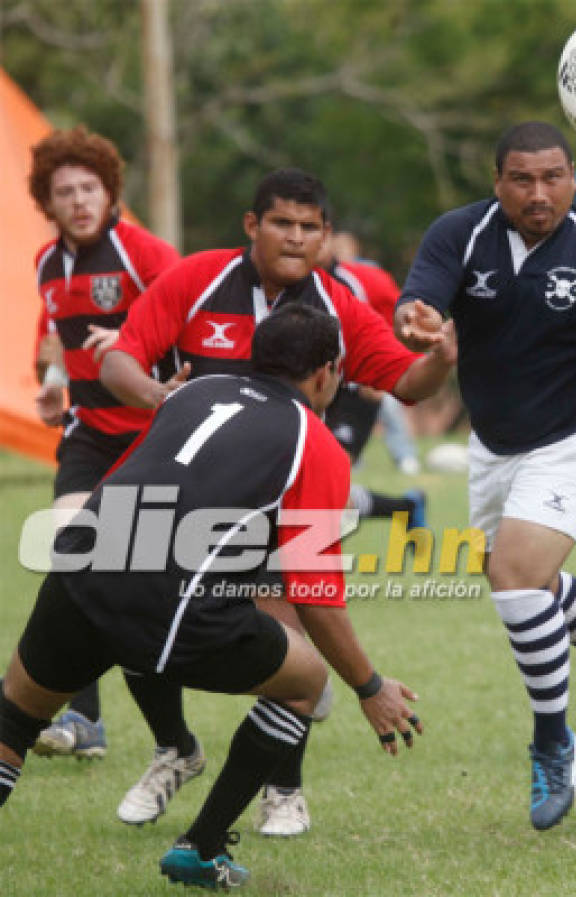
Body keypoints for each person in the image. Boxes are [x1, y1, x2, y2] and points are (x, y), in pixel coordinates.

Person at [1, 304, 425, 889]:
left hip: (82, 563)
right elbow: (316, 596)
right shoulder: (315, 441)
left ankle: (176, 754)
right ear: (327, 373)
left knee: (14, 720)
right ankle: (201, 848)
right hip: (164, 600)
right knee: (306, 685)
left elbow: (127, 477)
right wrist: (370, 688)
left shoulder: (195, 391)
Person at [97, 168, 455, 836]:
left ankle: (283, 787)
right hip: (186, 500)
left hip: (279, 508)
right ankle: (175, 746)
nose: (295, 237)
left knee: (290, 638)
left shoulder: (340, 304)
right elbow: (120, 359)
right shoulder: (194, 279)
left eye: (309, 226)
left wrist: (440, 355)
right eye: (282, 222)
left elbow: (407, 380)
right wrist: (156, 396)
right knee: (125, 612)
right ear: (251, 225)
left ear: (325, 235)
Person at [395, 121, 576, 830]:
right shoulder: (460, 233)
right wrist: (416, 323)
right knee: (529, 587)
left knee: (516, 575)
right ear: (498, 181)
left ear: (573, 177)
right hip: (494, 444)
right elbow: (415, 307)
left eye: (553, 176)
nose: (538, 192)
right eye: (522, 178)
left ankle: (553, 737)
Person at [26, 125, 181, 760]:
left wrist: (130, 350)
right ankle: (83, 718)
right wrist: (54, 381)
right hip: (87, 433)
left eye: (89, 187)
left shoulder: (143, 252)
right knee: (73, 555)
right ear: (49, 200)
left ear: (109, 189)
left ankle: (285, 664)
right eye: (65, 191)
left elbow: (189, 326)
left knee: (155, 585)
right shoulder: (46, 263)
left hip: (154, 435)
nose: (80, 200)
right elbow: (53, 337)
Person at [318, 234, 426, 521]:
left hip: (355, 392)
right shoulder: (281, 281)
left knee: (324, 483)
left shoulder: (364, 279)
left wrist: (381, 372)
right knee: (314, 490)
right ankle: (405, 507)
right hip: (309, 391)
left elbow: (405, 320)